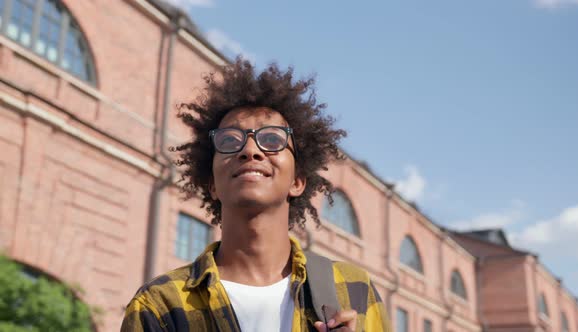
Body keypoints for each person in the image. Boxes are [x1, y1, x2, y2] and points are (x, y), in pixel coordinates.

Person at [121, 58, 391, 331]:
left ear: (297, 181)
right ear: (212, 184)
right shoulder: (160, 305)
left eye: (273, 139)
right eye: (229, 141)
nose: (250, 150)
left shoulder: (354, 289)